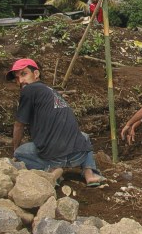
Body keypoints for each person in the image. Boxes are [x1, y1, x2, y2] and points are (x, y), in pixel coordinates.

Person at [7, 58, 105, 186]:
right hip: (77, 155)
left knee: (20, 153)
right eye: (17, 77)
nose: (20, 81)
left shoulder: (28, 90)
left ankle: (51, 169)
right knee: (84, 136)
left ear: (36, 74)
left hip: (54, 156)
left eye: (24, 74)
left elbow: (19, 125)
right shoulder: (51, 91)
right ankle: (89, 173)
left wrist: (15, 149)